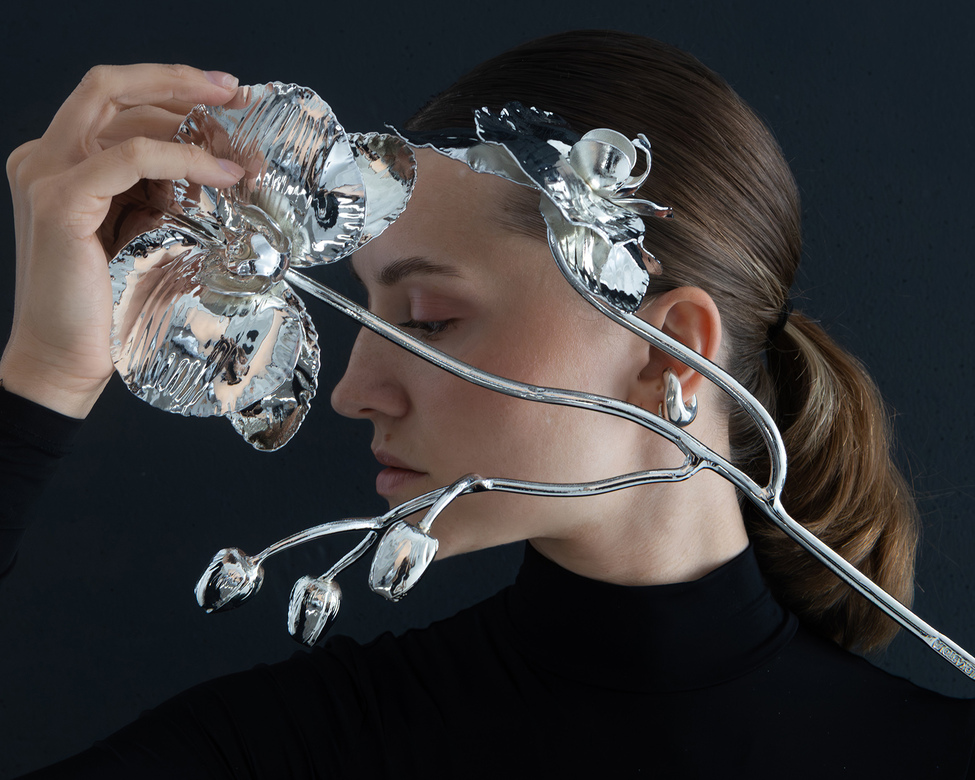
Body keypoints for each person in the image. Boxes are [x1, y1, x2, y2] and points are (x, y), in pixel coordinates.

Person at [3, 30, 974, 778]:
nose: (351, 391)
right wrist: (45, 374)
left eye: (429, 319)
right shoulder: (299, 750)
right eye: (369, 308)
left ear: (666, 351)